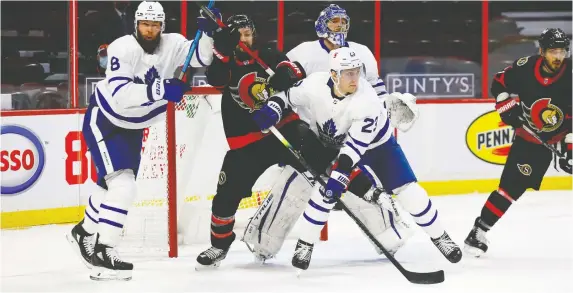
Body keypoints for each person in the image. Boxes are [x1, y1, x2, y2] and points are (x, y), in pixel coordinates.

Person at [252, 47, 462, 271]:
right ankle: (305, 244)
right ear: (334, 75)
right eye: (348, 73)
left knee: (412, 194)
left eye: (357, 71)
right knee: (324, 194)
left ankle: (440, 237)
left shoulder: (367, 101)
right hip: (337, 145)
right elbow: (285, 95)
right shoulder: (314, 85)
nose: (355, 78)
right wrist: (273, 108)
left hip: (379, 148)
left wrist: (339, 177)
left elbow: (353, 150)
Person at [66, 1, 217, 281]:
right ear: (136, 24)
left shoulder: (173, 44)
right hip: (106, 120)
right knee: (123, 186)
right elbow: (121, 93)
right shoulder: (121, 48)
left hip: (135, 126)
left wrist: (207, 33)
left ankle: (84, 232)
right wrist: (160, 88)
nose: (150, 30)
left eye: (155, 25)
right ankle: (104, 250)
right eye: (145, 24)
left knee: (108, 186)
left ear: (162, 26)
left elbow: (203, 58)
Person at [194, 13, 308, 269]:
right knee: (225, 196)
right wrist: (222, 53)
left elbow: (296, 70)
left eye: (247, 34)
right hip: (246, 142)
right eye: (238, 36)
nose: (244, 39)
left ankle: (363, 194)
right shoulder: (227, 62)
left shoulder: (267, 53)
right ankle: (219, 246)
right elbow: (216, 79)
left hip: (284, 130)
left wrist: (285, 76)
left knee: (318, 152)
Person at [464, 28, 572, 257]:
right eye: (553, 51)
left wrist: (569, 146)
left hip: (565, 133)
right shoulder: (524, 68)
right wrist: (506, 106)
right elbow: (498, 84)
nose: (558, 57)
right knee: (511, 188)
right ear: (542, 51)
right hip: (530, 139)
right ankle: (478, 232)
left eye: (562, 51)